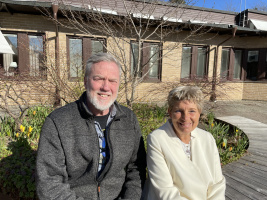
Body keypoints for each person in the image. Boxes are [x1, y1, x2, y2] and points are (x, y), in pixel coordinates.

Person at [36, 53, 147, 200]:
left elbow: (136, 170)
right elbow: (49, 183)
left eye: (112, 81)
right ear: (85, 81)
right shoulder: (58, 122)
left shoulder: (129, 119)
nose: (106, 87)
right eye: (98, 79)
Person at [145, 86, 226, 200]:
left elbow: (217, 183)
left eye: (192, 111)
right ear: (170, 111)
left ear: (199, 112)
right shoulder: (157, 139)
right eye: (179, 111)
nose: (185, 118)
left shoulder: (207, 138)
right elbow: (165, 191)